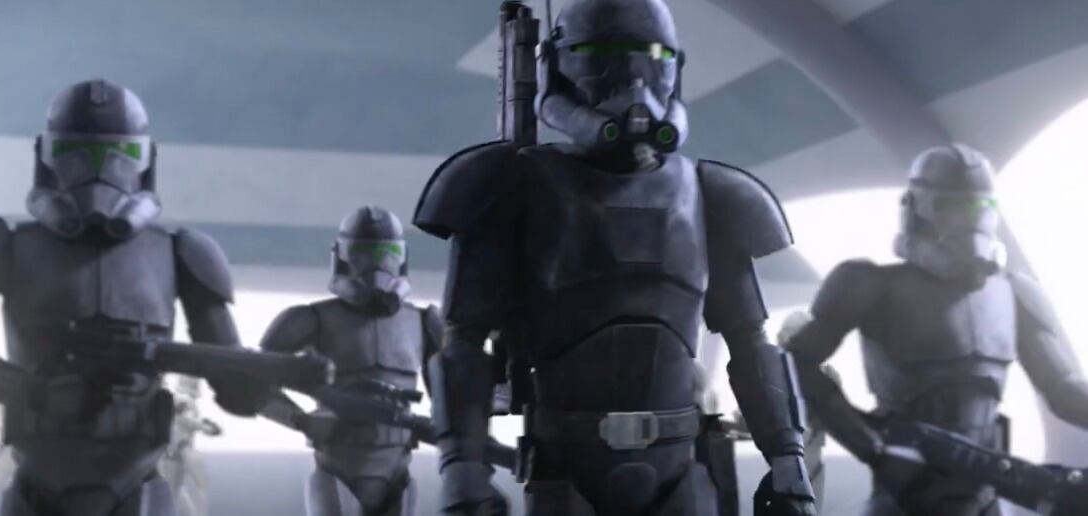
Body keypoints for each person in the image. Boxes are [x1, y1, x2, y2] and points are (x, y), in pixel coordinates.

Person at [413, 1, 817, 514]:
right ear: (557, 65)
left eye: (651, 56)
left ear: (674, 68)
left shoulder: (713, 193)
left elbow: (751, 342)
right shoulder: (512, 184)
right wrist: (462, 470)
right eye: (601, 55)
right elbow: (464, 346)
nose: (632, 79)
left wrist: (788, 460)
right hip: (566, 466)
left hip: (681, 465)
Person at [0, 78, 271, 516]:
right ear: (47, 155)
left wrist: (265, 381)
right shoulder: (0, 244)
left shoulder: (181, 254)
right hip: (37, 484)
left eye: (120, 153)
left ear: (144, 159)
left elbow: (240, 393)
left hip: (137, 485)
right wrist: (32, 390)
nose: (99, 169)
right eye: (76, 153)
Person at [784, 143, 1088, 515]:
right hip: (904, 494)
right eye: (953, 206)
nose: (971, 220)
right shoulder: (868, 283)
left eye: (981, 206)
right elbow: (795, 363)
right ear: (918, 208)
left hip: (983, 491)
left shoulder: (1014, 293)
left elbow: (1063, 389)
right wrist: (873, 448)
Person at [261, 206, 495, 515]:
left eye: (388, 252)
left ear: (402, 256)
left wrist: (467, 455)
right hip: (335, 467)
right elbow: (249, 383)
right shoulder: (308, 319)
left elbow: (456, 404)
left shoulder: (424, 323)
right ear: (341, 256)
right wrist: (301, 421)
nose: (376, 263)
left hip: (397, 472)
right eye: (361, 252)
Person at [160, 376, 221, 516]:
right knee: (194, 485)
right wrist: (206, 428)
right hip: (179, 450)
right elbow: (187, 419)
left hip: (172, 452)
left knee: (175, 490)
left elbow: (183, 418)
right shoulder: (185, 400)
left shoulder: (178, 399)